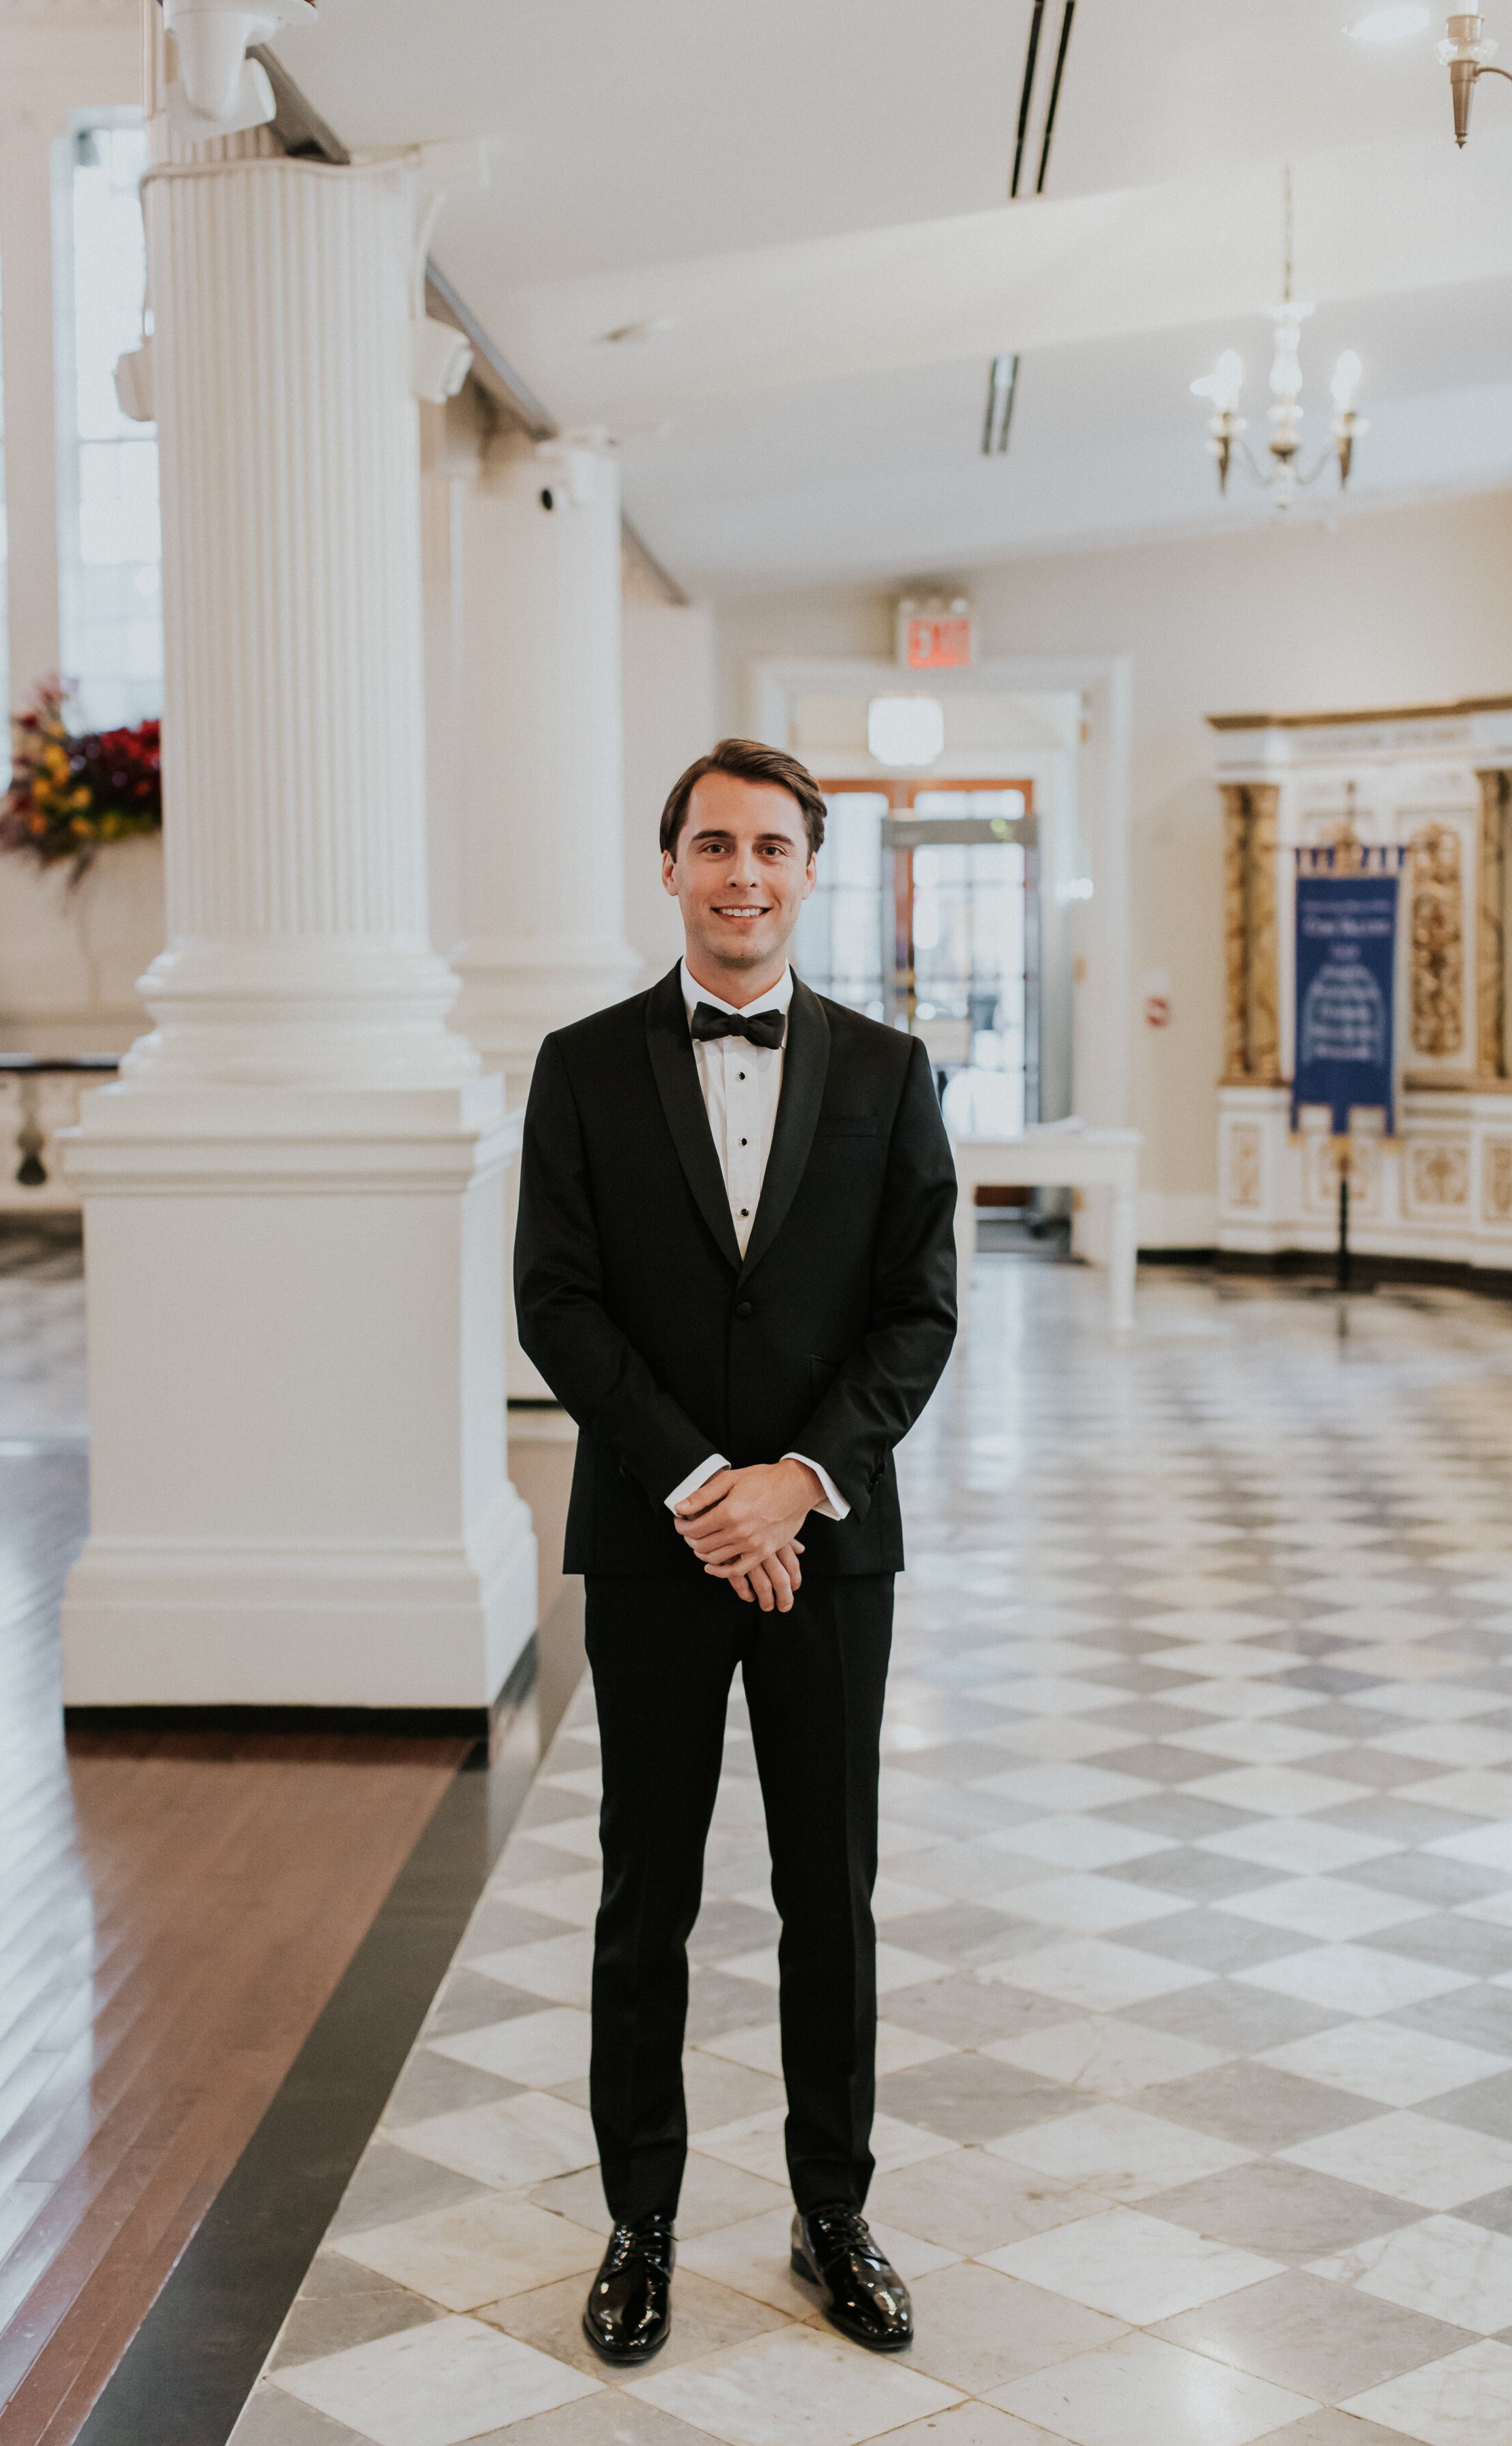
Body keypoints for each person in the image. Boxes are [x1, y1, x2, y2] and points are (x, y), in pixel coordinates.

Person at [514, 737, 957, 2364]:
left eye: (773, 846)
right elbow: (556, 1303)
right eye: (714, 845)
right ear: (671, 866)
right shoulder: (580, 1065)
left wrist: (800, 1485)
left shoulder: (892, 1073)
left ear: (810, 869)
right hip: (652, 1544)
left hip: (832, 1552)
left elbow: (920, 1309)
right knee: (650, 1890)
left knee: (825, 1893)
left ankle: (830, 2210)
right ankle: (640, 2222)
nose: (744, 873)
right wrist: (709, 1484)